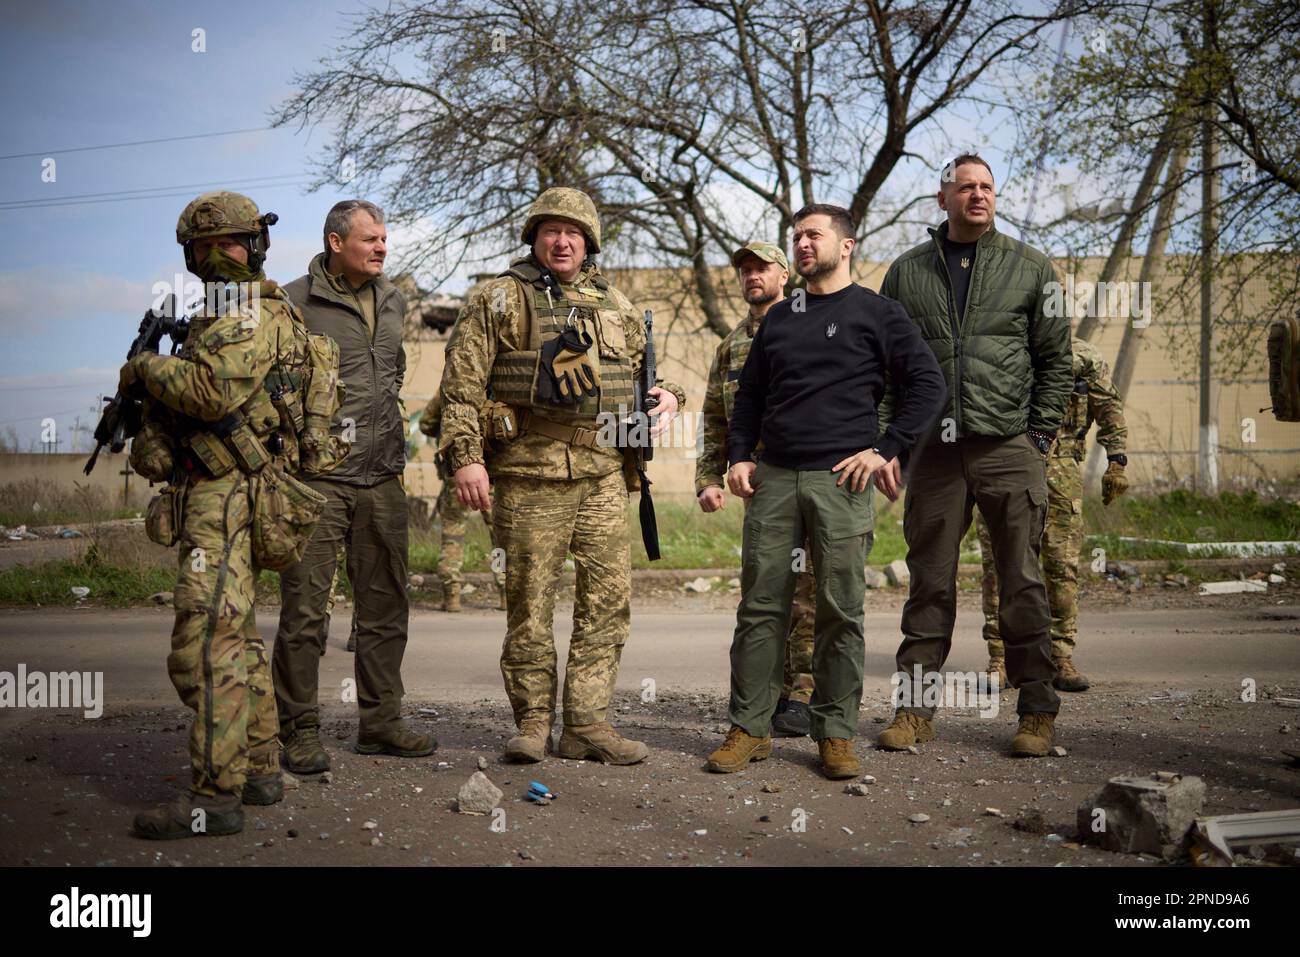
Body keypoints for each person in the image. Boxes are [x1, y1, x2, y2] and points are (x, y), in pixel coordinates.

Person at [438, 187, 684, 765]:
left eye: (574, 232)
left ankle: (586, 725)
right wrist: (466, 458)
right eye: (551, 230)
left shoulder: (616, 304)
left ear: (590, 241)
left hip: (602, 475)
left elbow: (645, 378)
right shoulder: (498, 298)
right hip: (527, 477)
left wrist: (669, 397)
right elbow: (461, 388)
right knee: (530, 607)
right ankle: (531, 724)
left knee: (606, 603)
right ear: (535, 237)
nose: (563, 240)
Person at [708, 204, 945, 780]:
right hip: (774, 480)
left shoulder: (878, 314)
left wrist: (887, 449)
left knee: (842, 611)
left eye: (814, 235)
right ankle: (751, 727)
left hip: (842, 482)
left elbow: (928, 383)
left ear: (847, 245)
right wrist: (739, 456)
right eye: (797, 237)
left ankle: (835, 732)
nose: (803, 244)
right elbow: (750, 399)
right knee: (761, 608)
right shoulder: (781, 319)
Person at [125, 191, 333, 838]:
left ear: (256, 246)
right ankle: (261, 766)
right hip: (215, 492)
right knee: (236, 638)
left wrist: (143, 368)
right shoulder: (213, 318)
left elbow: (214, 392)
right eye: (205, 247)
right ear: (189, 256)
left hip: (231, 494)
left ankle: (215, 795)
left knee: (201, 646)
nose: (218, 257)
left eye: (230, 244)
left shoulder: (248, 313)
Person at [874, 154, 1072, 757]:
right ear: (943, 200)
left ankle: (1036, 713)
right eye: (966, 187)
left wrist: (1038, 438)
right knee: (928, 587)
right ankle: (913, 713)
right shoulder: (906, 274)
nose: (978, 196)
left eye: (986, 187)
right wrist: (890, 444)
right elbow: (886, 371)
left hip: (1008, 446)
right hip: (934, 453)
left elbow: (1056, 362)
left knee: (1022, 584)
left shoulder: (1033, 269)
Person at [272, 199, 435, 776]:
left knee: (387, 605)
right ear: (336, 243)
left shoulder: (393, 299)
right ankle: (299, 730)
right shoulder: (292, 302)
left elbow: (389, 372)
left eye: (385, 238)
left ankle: (381, 723)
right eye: (371, 239)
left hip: (381, 475)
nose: (382, 248)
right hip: (316, 480)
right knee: (306, 614)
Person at [697, 241, 816, 737]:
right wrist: (707, 476)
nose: (752, 275)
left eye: (762, 266)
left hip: (814, 473)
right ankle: (763, 694)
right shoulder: (731, 345)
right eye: (744, 269)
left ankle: (804, 694)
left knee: (809, 592)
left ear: (784, 273)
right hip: (761, 480)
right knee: (765, 591)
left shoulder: (812, 324)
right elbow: (715, 415)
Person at [977, 335, 1128, 691]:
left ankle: (1060, 657)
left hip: (1062, 467)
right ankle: (1000, 658)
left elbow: (1108, 407)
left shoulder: (1083, 355)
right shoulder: (995, 346)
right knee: (1000, 564)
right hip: (1005, 464)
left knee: (1061, 563)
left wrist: (1117, 460)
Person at [419, 391, 507, 612]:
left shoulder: (452, 390)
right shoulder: (498, 387)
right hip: (491, 474)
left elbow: (425, 424)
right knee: (499, 537)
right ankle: (505, 593)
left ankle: (452, 596)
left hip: (457, 474)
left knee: (452, 536)